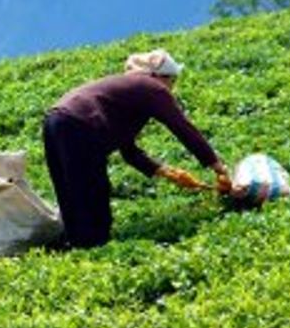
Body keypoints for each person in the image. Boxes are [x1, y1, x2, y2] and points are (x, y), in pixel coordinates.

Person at [42, 49, 232, 249]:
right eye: (172, 80)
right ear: (160, 77)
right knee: (93, 191)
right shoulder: (152, 88)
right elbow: (182, 127)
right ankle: (93, 246)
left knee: (71, 190)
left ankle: (74, 242)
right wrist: (216, 165)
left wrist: (167, 173)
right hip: (80, 125)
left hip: (54, 121)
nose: (172, 88)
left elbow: (129, 151)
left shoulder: (130, 91)